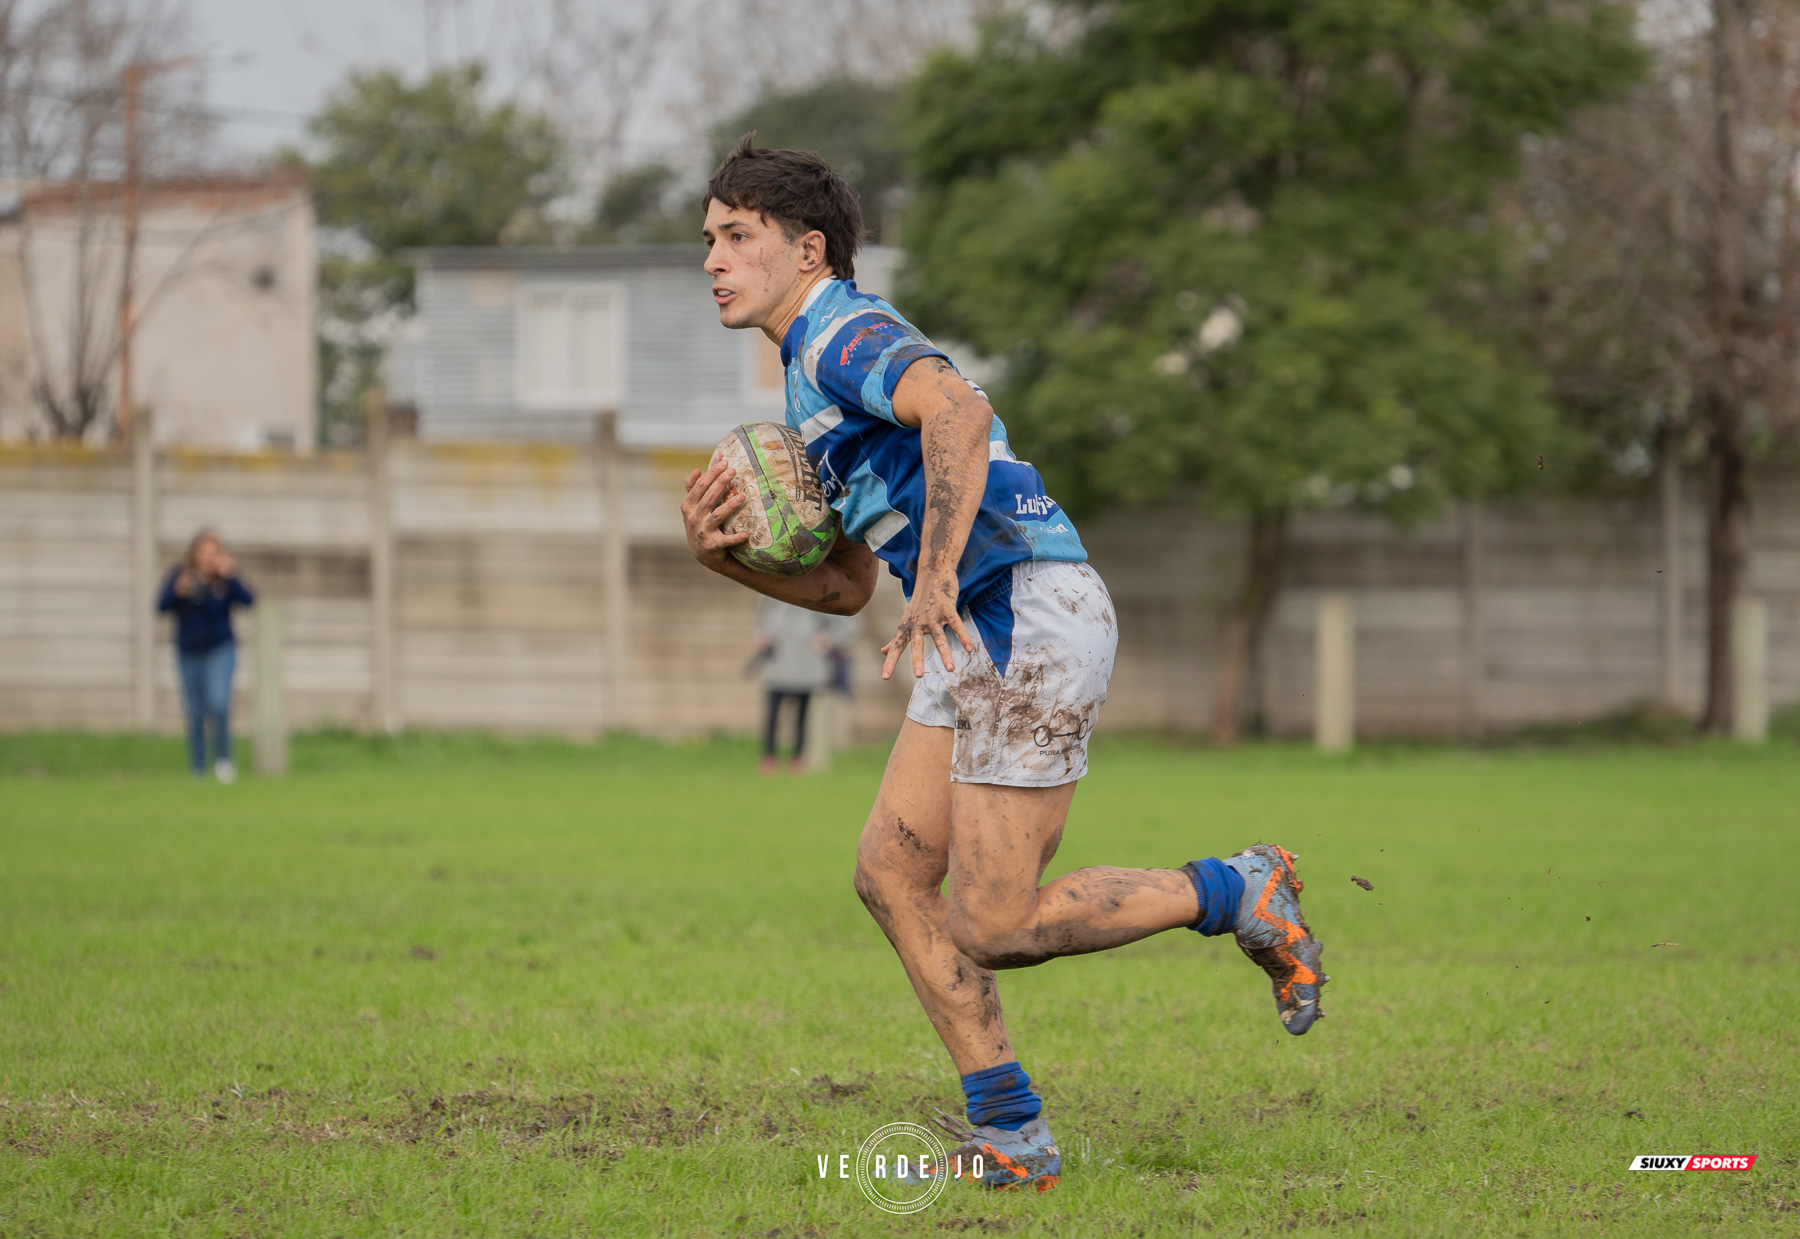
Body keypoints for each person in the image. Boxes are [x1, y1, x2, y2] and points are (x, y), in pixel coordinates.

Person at [681, 136, 1327, 1192]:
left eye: (737, 236)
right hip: (973, 620)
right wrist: (725, 561)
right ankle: (1014, 1135)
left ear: (808, 250)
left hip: (1020, 608)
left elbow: (960, 411)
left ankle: (1239, 888)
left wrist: (936, 575)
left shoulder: (841, 332)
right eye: (709, 239)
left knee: (994, 922)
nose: (713, 258)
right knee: (891, 875)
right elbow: (847, 586)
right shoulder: (808, 377)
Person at [157, 530, 254, 783]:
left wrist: (231, 575)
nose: (208, 558)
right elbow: (160, 606)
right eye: (204, 552)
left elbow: (250, 600)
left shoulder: (225, 581)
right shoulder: (182, 576)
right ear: (194, 554)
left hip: (221, 649)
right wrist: (177, 590)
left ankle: (223, 760)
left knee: (219, 702)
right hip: (189, 651)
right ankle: (198, 768)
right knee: (195, 711)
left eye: (214, 553)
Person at [755, 598, 839, 774]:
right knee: (772, 715)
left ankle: (797, 758)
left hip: (807, 668)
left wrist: (827, 639)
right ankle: (769, 757)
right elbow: (760, 622)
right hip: (778, 667)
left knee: (802, 717)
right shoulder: (774, 598)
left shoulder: (818, 600)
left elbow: (845, 625)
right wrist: (762, 636)